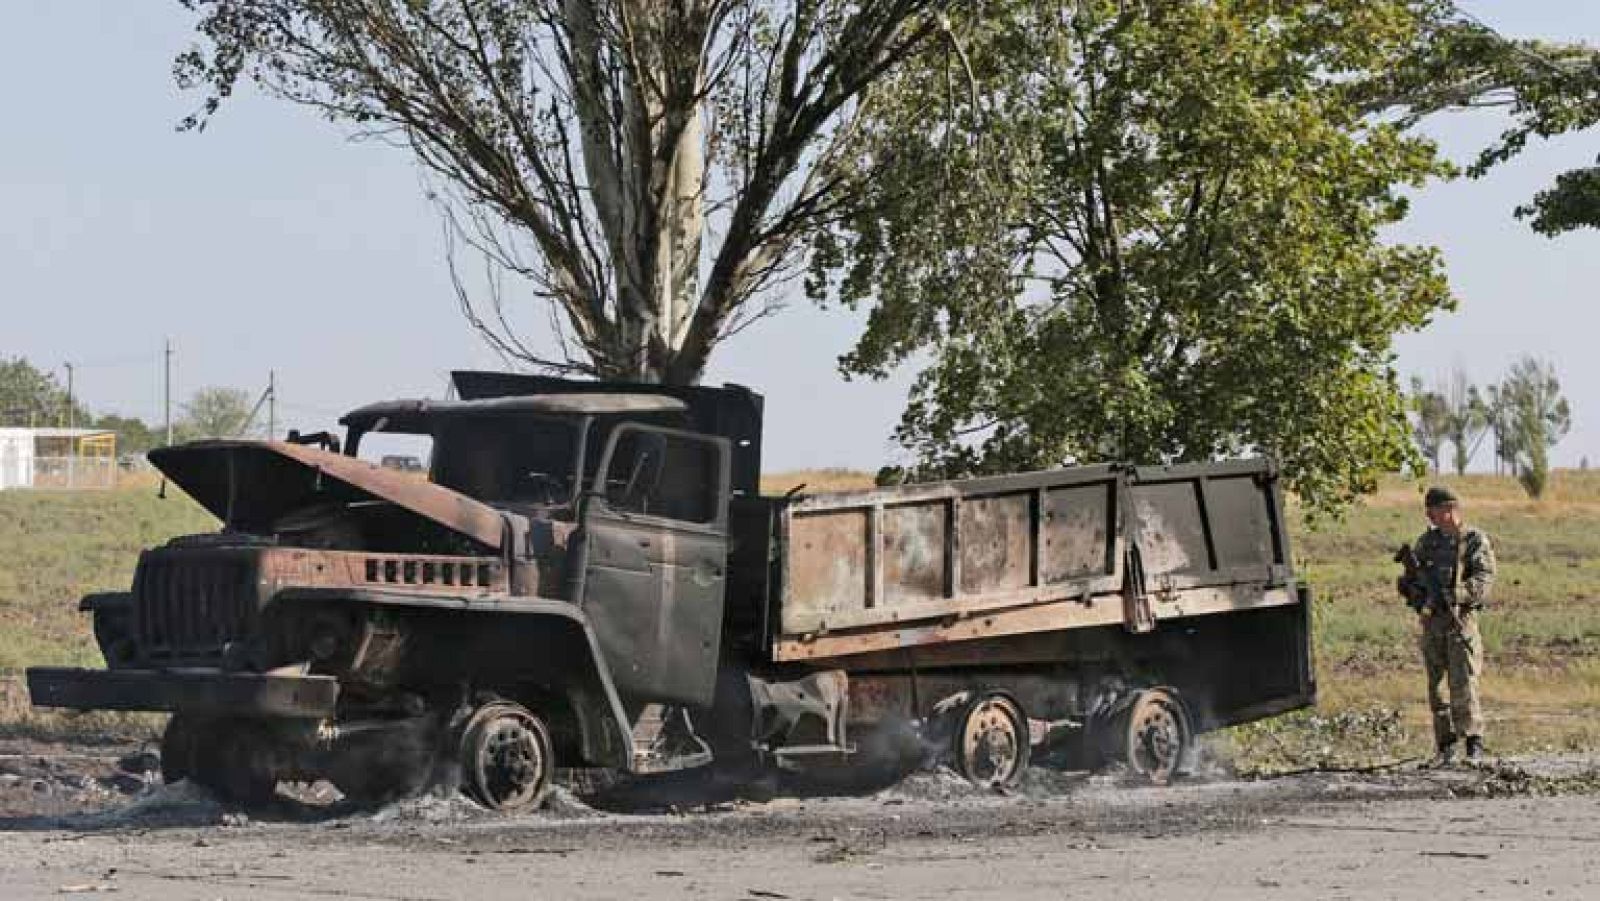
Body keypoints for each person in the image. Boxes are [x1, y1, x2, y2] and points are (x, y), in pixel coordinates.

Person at [1398, 486, 1496, 764]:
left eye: (1434, 511)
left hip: (1460, 620)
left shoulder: (1473, 540)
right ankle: (1446, 746)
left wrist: (1457, 595)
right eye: (1428, 512)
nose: (1430, 516)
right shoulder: (1426, 543)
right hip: (1433, 623)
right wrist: (1418, 596)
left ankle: (1474, 743)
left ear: (1449, 509)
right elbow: (1411, 579)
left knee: (1464, 681)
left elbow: (1485, 578)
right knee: (1437, 687)